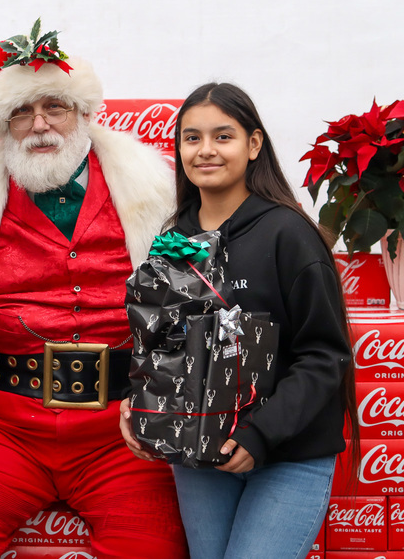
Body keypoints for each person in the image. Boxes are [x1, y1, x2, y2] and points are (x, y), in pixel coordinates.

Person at [0, 26, 189, 558]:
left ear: (83, 113)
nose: (40, 125)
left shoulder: (152, 189)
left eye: (55, 107)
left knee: (151, 547)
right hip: (5, 427)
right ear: (4, 125)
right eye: (23, 112)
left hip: (122, 429)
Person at [119, 82, 358, 559]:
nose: (205, 150)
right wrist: (139, 401)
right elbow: (160, 343)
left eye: (222, 136)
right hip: (198, 455)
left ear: (253, 145)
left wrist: (260, 432)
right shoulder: (171, 238)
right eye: (191, 138)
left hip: (289, 454)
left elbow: (324, 356)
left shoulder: (290, 235)